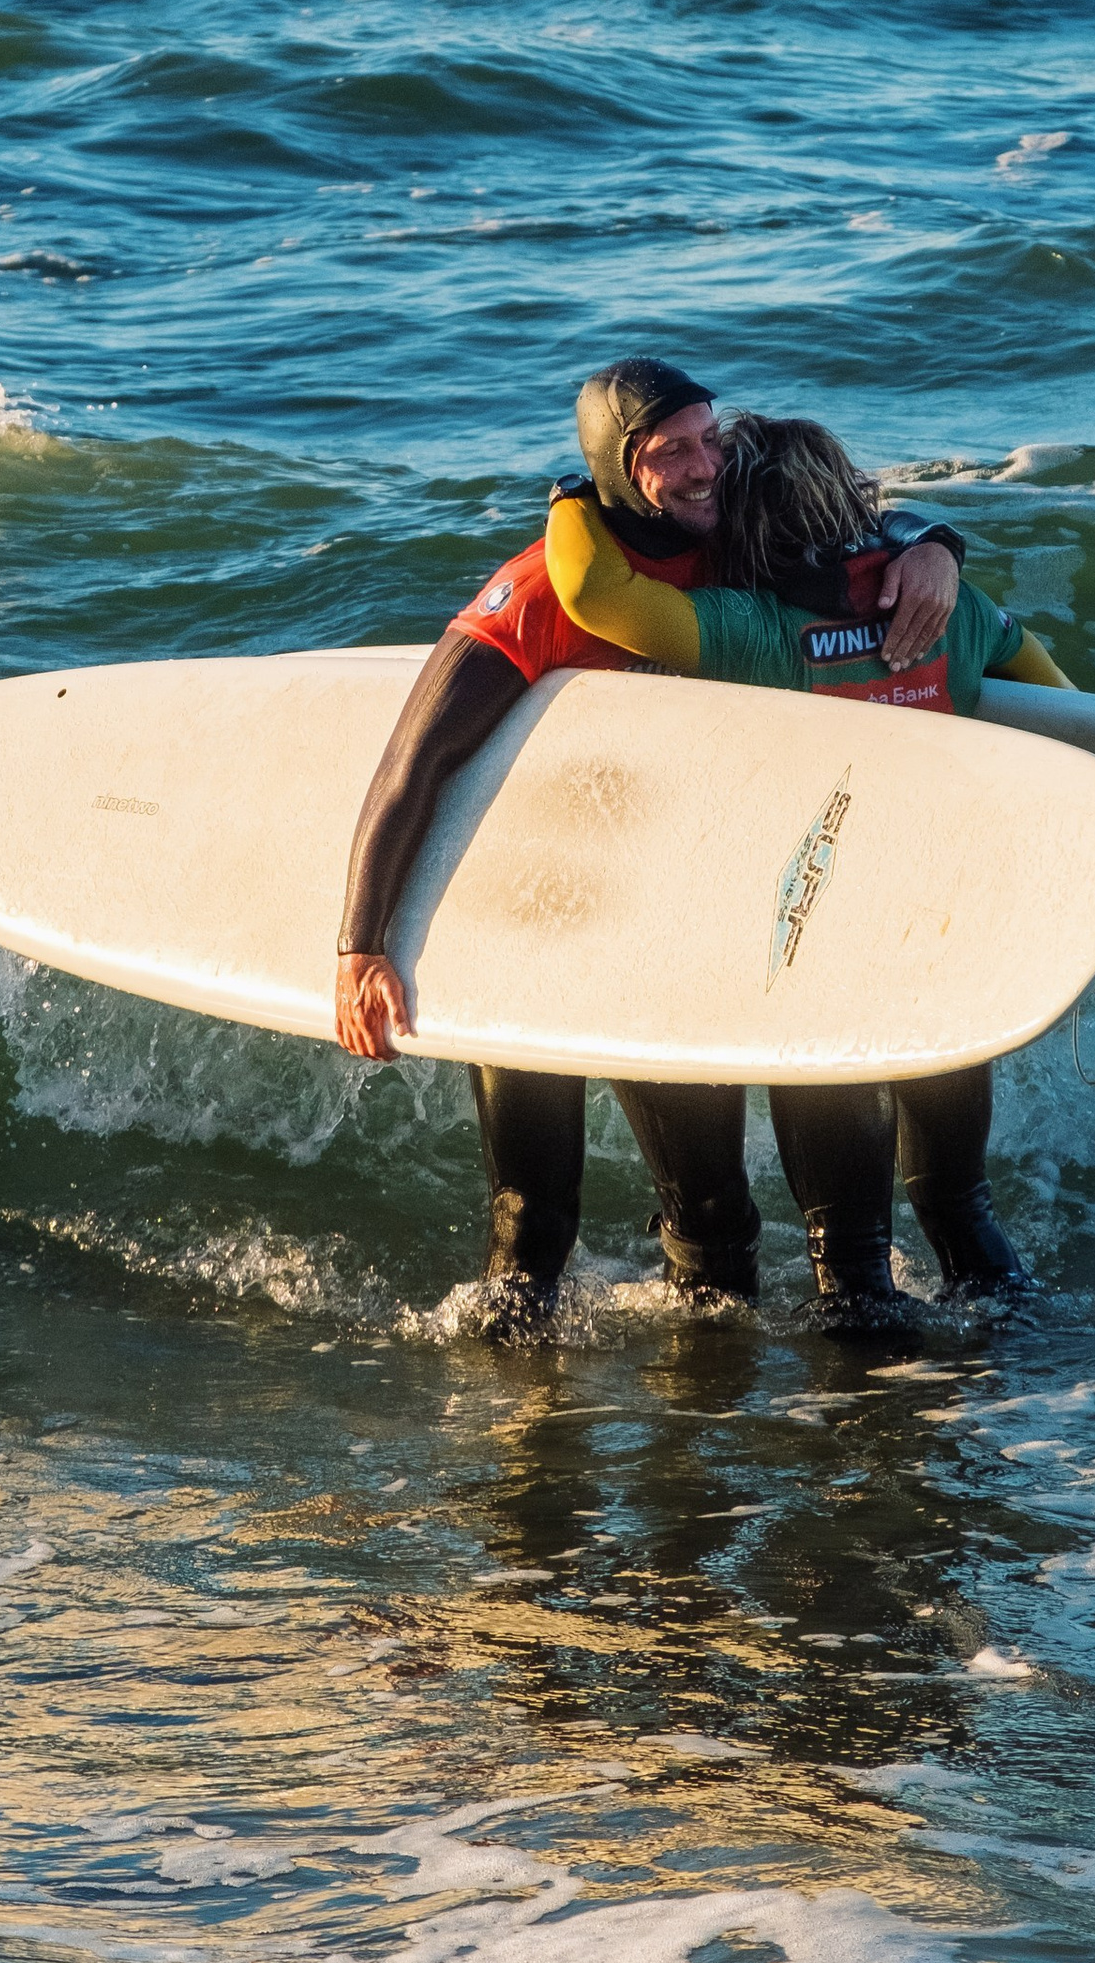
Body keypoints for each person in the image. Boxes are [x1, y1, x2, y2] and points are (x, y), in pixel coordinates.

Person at [334, 357, 969, 1333]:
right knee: (527, 1240)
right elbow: (412, 766)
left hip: (668, 915)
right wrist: (361, 946)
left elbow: (848, 544)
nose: (705, 465)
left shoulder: (732, 554)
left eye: (710, 440)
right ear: (618, 469)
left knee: (714, 1226)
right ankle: (522, 1433)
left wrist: (936, 548)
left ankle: (704, 1433)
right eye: (671, 451)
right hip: (530, 910)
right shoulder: (544, 587)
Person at [545, 411, 1076, 1310]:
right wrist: (929, 547)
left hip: (822, 938)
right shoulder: (958, 612)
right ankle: (1011, 1375)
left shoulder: (751, 629)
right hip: (939, 924)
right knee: (961, 1206)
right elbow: (1065, 710)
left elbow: (600, 597)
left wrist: (573, 495)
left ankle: (867, 1390)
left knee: (853, 1263)